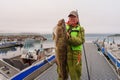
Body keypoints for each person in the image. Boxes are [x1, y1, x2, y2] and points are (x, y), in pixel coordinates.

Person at [66, 10, 85, 80]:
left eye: (74, 17)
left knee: (75, 74)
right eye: (70, 17)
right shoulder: (63, 27)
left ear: (77, 19)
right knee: (61, 73)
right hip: (64, 54)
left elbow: (80, 40)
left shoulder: (80, 29)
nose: (72, 19)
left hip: (76, 55)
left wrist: (69, 37)